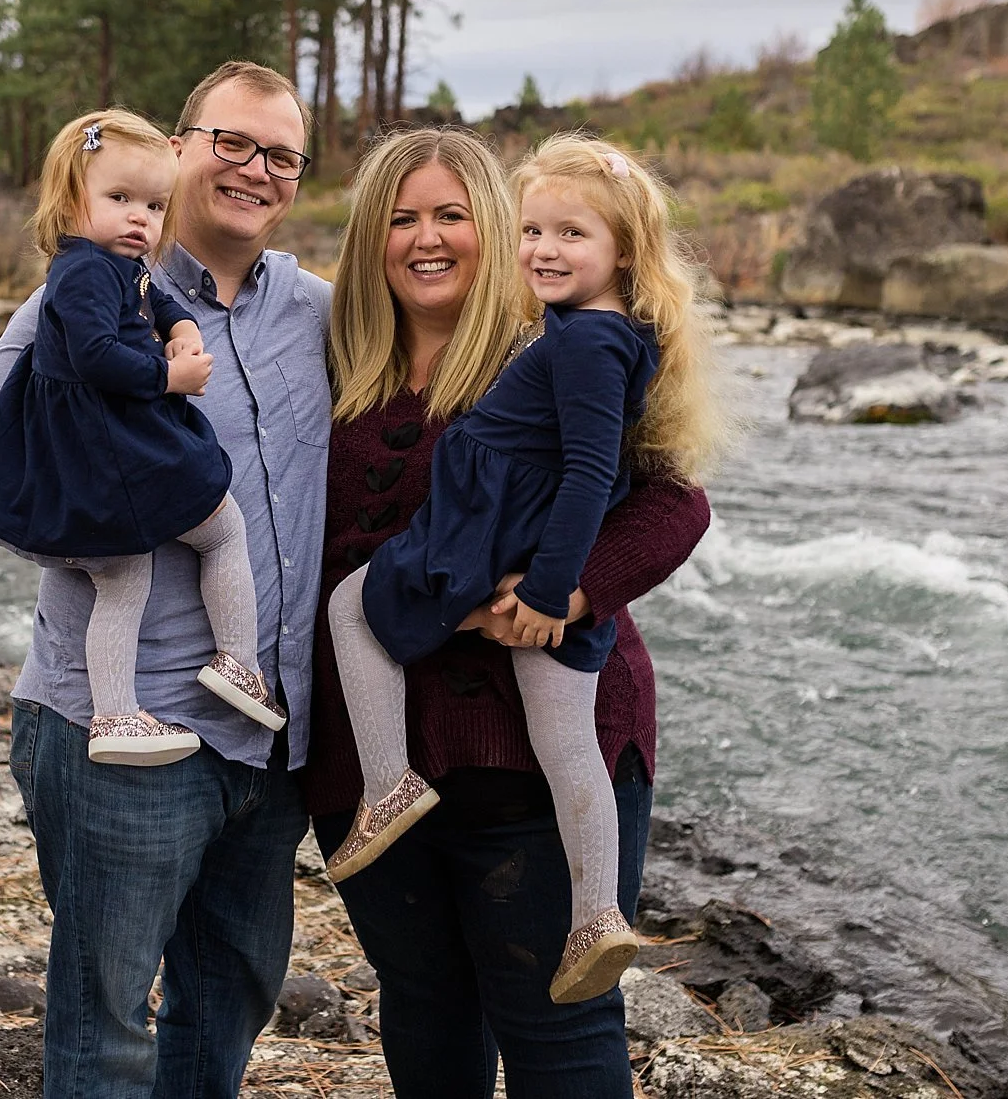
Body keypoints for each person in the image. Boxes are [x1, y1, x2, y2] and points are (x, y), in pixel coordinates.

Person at [305, 127, 718, 1097]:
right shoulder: (324, 371)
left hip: (531, 762)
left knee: (558, 1035)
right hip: (367, 772)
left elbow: (675, 502)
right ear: (368, 238)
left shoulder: (554, 353)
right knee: (423, 1009)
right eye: (400, 218)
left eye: (450, 214)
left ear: (496, 229)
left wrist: (562, 595)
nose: (425, 238)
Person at [0, 62, 328, 1099]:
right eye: (229, 143)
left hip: (267, 734)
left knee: (225, 1007)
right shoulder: (78, 304)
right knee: (105, 1027)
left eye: (280, 154)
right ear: (182, 143)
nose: (254, 170)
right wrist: (115, 534)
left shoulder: (317, 313)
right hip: (119, 736)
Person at [0, 109, 284, 767]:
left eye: (156, 205)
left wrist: (182, 323)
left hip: (103, 462)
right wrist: (171, 374)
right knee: (223, 530)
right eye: (121, 199)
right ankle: (237, 661)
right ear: (73, 200)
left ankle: (114, 715)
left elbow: (152, 299)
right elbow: (97, 355)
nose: (142, 219)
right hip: (117, 454)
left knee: (124, 578)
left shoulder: (115, 264)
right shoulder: (77, 274)